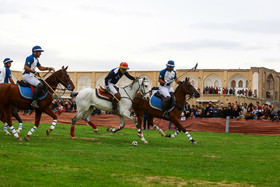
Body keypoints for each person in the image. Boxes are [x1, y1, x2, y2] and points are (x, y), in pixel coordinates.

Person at [0, 58, 23, 133]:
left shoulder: (1, 69)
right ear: (6, 64)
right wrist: (15, 86)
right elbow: (10, 79)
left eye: (10, 63)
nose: (10, 64)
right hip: (4, 88)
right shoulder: (7, 69)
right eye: (9, 63)